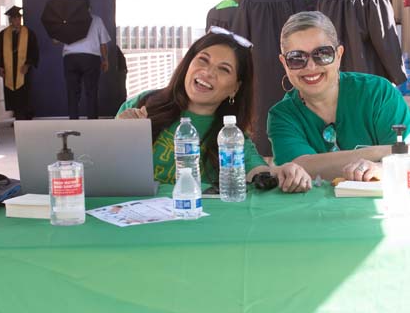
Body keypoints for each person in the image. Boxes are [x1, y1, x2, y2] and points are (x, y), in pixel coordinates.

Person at [117, 28, 311, 192]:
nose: (208, 73)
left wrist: (286, 172)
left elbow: (259, 172)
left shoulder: (232, 136)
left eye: (224, 69)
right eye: (203, 60)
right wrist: (119, 131)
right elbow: (100, 168)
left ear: (235, 87)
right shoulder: (142, 104)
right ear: (188, 64)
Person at [268, 11, 410, 182]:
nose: (311, 66)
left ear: (338, 55)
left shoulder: (377, 93)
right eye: (296, 58)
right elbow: (298, 167)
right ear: (284, 63)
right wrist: (381, 152)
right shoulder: (282, 115)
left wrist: (381, 168)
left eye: (322, 54)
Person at [231, 0, 305, 157]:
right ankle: (291, 148)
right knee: (292, 103)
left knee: (260, 107)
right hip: (290, 65)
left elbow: (239, 38)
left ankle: (263, 150)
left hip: (258, 67)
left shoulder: (249, 0)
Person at [60, 9, 111, 119]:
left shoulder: (68, 20)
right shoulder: (96, 20)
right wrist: (105, 60)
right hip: (90, 58)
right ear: (89, 8)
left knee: (72, 92)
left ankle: (73, 120)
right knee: (91, 91)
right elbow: (103, 44)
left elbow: (56, 40)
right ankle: (92, 121)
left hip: (70, 58)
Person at [0, 5, 39, 120]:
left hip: (23, 69)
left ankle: (24, 115)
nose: (16, 21)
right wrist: (0, 67)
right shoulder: (3, 34)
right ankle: (17, 115)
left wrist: (28, 64)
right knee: (12, 93)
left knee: (24, 92)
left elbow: (34, 50)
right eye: (14, 19)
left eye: (18, 18)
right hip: (9, 69)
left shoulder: (29, 33)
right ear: (10, 20)